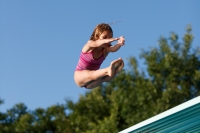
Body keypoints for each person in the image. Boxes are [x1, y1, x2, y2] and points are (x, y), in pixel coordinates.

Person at [74, 23, 125, 89]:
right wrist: (106, 40)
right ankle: (108, 70)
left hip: (91, 83)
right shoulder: (90, 45)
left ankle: (112, 72)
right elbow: (96, 43)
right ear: (96, 36)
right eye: (104, 37)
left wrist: (120, 43)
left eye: (110, 38)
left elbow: (114, 49)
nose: (107, 40)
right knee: (91, 74)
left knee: (104, 79)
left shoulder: (106, 50)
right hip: (80, 76)